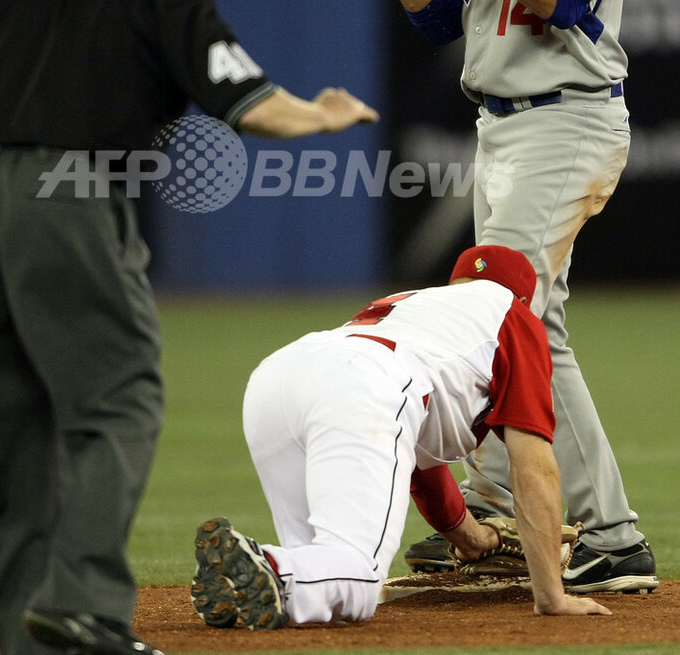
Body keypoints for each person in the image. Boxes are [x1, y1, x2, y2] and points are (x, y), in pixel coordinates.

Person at [0, 0, 379, 655]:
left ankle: (33, 639)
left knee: (22, 434)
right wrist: (322, 114)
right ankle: (88, 607)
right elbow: (256, 108)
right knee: (121, 398)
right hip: (65, 196)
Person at [323, 0, 658, 594]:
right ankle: (507, 511)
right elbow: (439, 19)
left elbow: (566, 2)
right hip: (503, 128)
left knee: (518, 322)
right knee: (506, 321)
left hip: (568, 118)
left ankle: (611, 536)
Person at [191, 245, 614, 629]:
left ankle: (242, 581)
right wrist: (552, 597)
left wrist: (477, 540)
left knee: (321, 583)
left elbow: (418, 469)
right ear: (524, 297)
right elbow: (533, 467)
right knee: (357, 581)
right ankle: (265, 565)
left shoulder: (416, 305)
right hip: (365, 383)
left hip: (278, 379)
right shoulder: (513, 315)